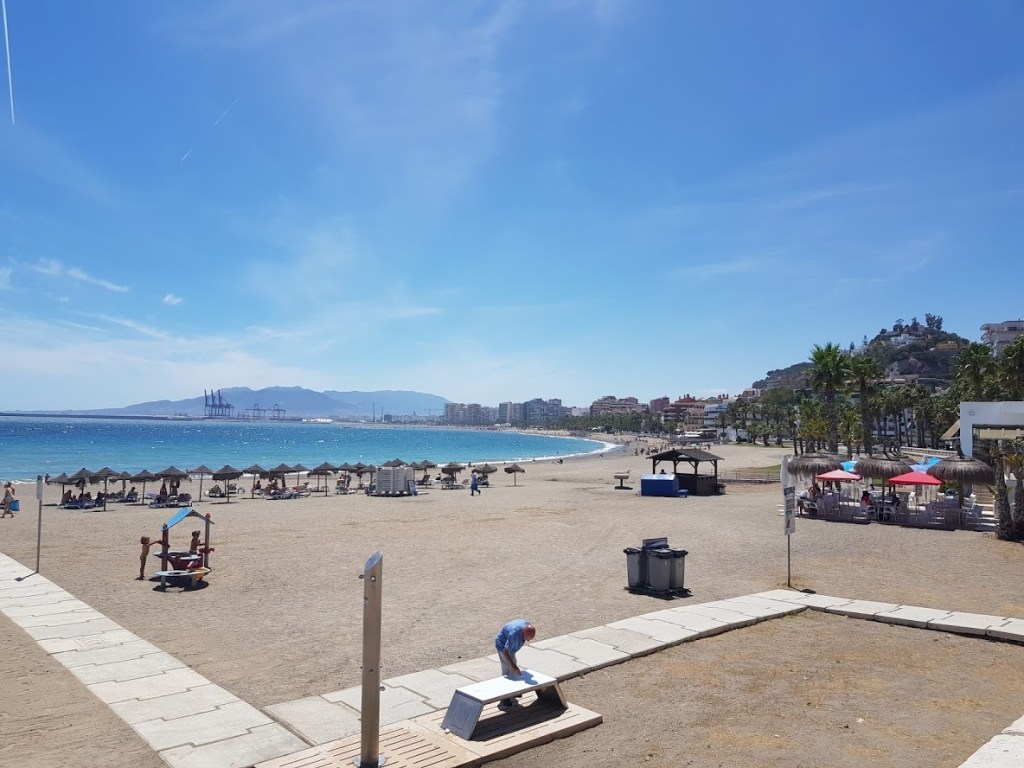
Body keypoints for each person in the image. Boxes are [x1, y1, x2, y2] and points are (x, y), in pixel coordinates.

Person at [494, 619, 536, 709]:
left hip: (510, 648)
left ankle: (513, 691)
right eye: (527, 638)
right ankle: (504, 697)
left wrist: (514, 667)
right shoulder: (514, 635)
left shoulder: (526, 625)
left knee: (513, 670)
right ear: (523, 633)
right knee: (507, 672)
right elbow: (505, 652)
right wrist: (513, 666)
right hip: (503, 646)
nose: (528, 641)